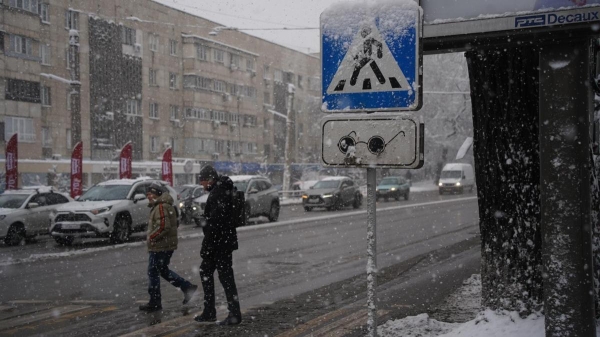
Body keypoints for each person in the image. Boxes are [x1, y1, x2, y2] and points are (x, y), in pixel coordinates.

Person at [139, 182, 198, 313]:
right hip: (165, 245)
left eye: (151, 194)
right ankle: (186, 287)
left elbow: (163, 226)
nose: (148, 196)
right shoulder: (164, 206)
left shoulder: (161, 207)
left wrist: (152, 237)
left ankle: (155, 302)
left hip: (160, 246)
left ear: (158, 194)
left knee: (153, 272)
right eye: (148, 194)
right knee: (162, 270)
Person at [194, 165, 242, 325]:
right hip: (222, 241)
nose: (202, 186)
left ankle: (232, 314)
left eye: (203, 182)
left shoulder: (218, 193)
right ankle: (211, 311)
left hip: (219, 243)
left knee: (224, 276)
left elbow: (216, 222)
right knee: (209, 272)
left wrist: (204, 221)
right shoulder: (222, 189)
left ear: (210, 180)